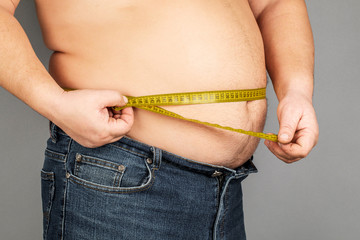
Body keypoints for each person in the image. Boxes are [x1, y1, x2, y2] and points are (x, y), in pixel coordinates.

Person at [0, 0, 319, 239]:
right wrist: (55, 103)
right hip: (121, 176)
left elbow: (274, 4)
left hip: (225, 190)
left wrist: (297, 89)